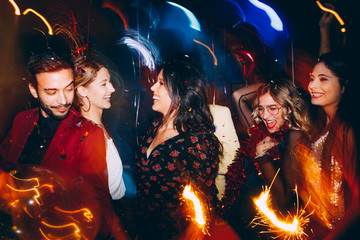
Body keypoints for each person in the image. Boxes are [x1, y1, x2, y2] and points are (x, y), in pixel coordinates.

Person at [0, 50, 128, 239]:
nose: (63, 100)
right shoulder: (22, 120)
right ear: (33, 90)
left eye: (69, 89)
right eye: (51, 92)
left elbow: (100, 201)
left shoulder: (88, 133)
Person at [135, 58, 239, 240]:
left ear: (180, 93)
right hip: (145, 228)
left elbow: (204, 202)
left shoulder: (197, 140)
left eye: (161, 83)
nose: (152, 88)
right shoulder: (153, 128)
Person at [219, 78, 311, 239]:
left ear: (289, 109)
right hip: (241, 220)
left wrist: (262, 155)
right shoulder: (260, 131)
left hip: (265, 229)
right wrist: (272, 85)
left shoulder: (294, 136)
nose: (265, 115)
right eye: (261, 108)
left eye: (273, 108)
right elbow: (238, 95)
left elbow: (283, 199)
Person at [288, 53, 360, 239]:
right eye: (312, 78)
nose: (312, 85)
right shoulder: (319, 124)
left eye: (323, 79)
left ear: (344, 87)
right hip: (318, 228)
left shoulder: (346, 131)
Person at [73, 55, 126, 201]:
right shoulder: (88, 133)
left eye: (110, 82)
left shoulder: (101, 125)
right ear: (83, 91)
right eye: (104, 84)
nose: (112, 88)